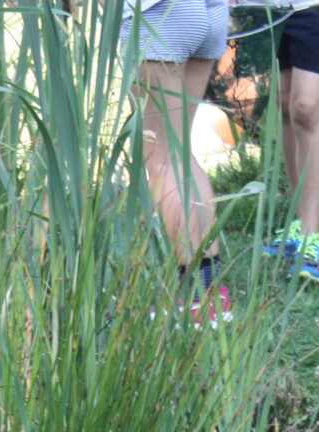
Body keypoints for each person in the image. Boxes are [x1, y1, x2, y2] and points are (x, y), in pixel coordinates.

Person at [122, 0, 234, 325]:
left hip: (161, 13)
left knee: (160, 158)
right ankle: (211, 294)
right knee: (178, 150)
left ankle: (194, 300)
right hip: (209, 11)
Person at [257, 0, 319, 282]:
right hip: (266, 8)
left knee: (306, 106)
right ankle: (300, 224)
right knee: (284, 102)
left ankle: (312, 239)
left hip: (315, 7)